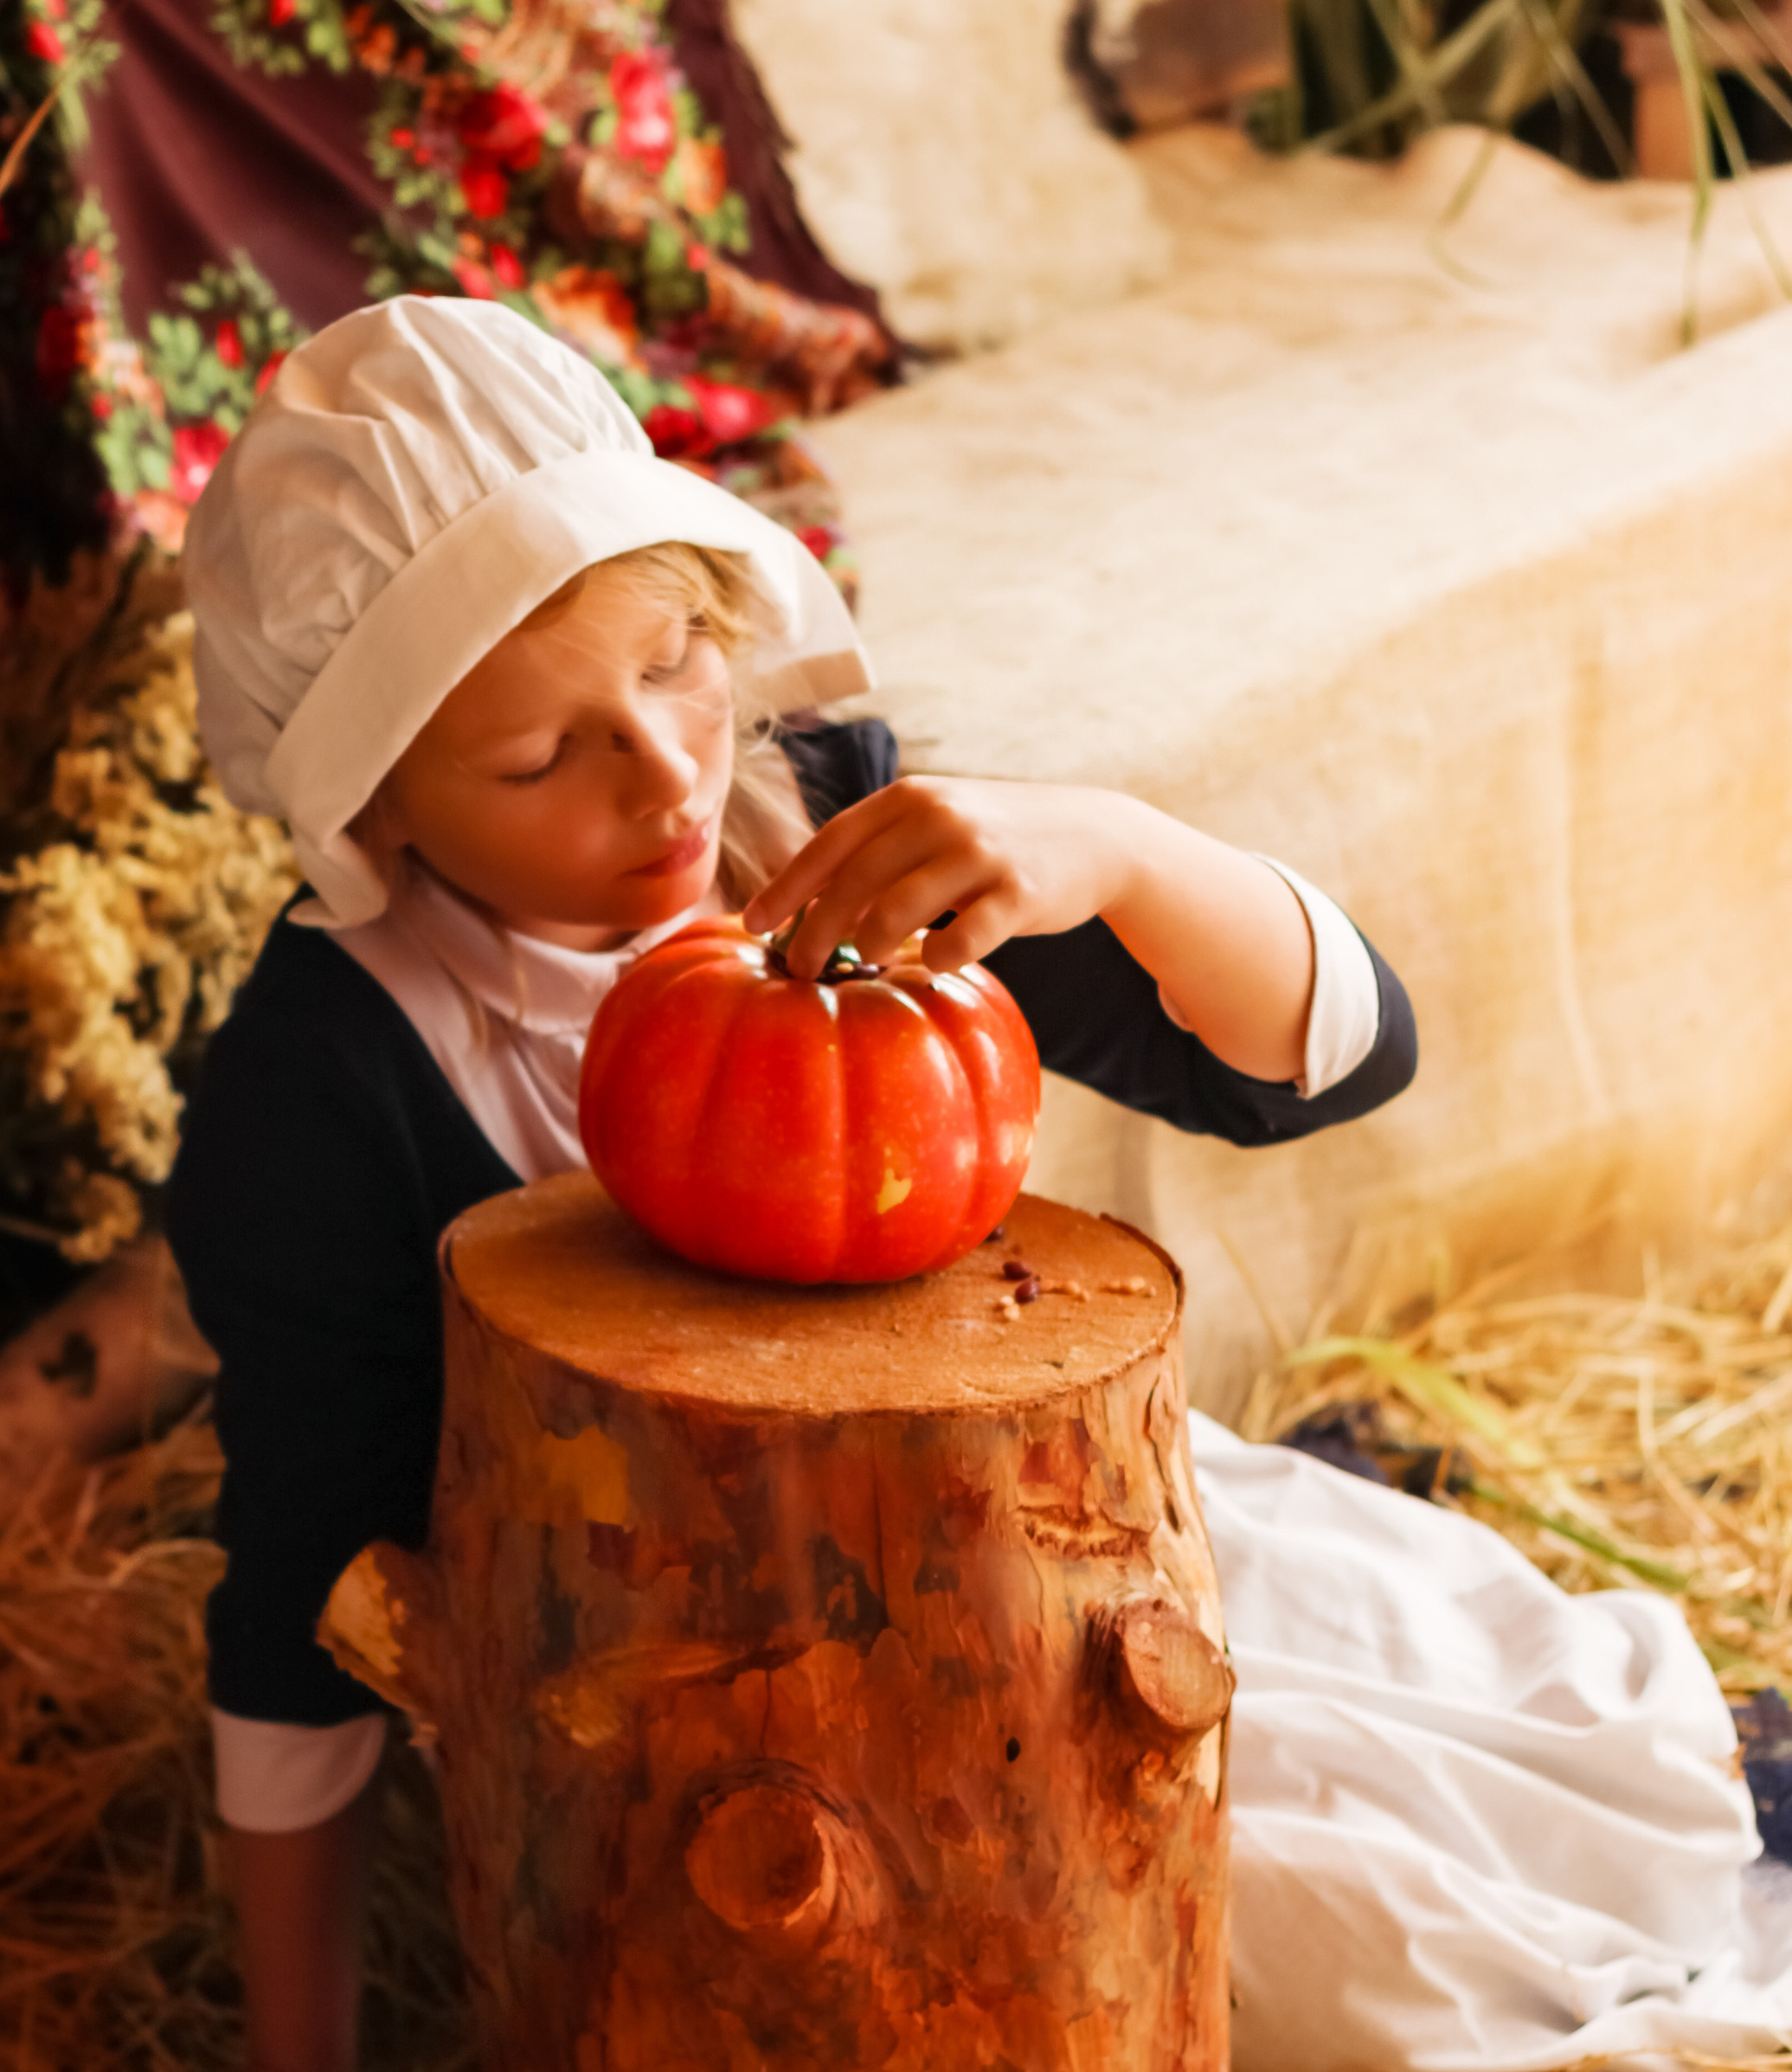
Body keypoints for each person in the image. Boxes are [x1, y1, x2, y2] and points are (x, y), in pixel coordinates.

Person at [166, 294, 1417, 2071]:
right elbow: (304, 1572)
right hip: (639, 1723)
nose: (666, 767)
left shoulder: (837, 839)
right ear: (376, 817)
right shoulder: (323, 1086)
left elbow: (1339, 1059)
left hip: (1006, 1607)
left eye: (675, 658)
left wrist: (1112, 849)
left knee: (1354, 1947)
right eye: (536, 756)